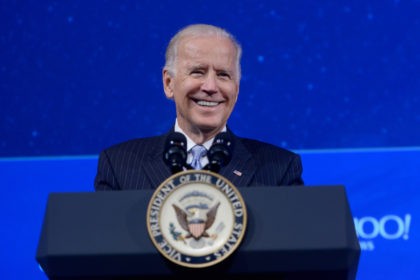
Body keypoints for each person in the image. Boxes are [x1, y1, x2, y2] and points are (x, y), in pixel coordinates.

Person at [94, 23, 303, 191]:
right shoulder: (119, 166)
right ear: (169, 83)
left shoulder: (280, 170)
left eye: (223, 75)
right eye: (197, 72)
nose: (211, 87)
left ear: (236, 90)